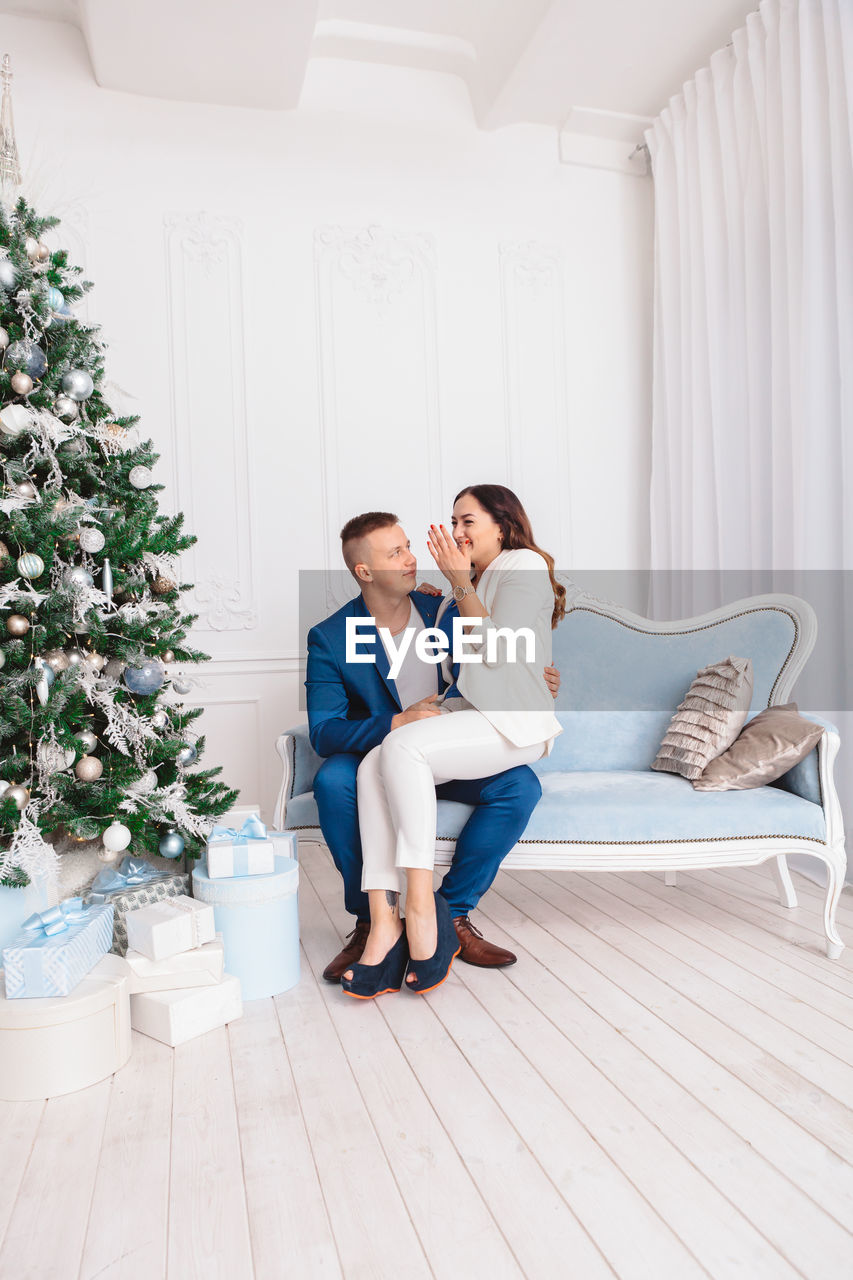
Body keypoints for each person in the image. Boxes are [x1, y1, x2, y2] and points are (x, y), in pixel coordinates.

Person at [306, 510, 560, 982]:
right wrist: (397, 722)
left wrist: (535, 676)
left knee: (519, 786)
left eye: (407, 546)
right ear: (364, 571)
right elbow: (324, 732)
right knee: (335, 778)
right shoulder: (330, 637)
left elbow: (499, 657)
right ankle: (372, 922)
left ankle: (452, 915)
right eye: (395, 552)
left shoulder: (440, 607)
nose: (411, 559)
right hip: (382, 761)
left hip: (451, 755)